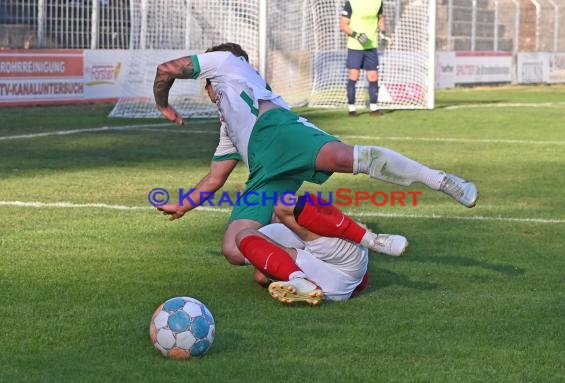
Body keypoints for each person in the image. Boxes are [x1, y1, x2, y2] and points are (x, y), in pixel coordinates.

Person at [153, 43, 478, 279]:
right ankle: (314, 260)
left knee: (343, 157)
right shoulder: (229, 128)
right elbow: (214, 179)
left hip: (279, 132)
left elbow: (164, 69)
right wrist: (183, 205)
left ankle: (439, 179)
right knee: (234, 250)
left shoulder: (225, 62)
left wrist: (163, 104)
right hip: (265, 171)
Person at [247, 197, 371, 305]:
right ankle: (301, 283)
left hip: (343, 276)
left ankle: (300, 281)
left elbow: (261, 278)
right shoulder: (282, 229)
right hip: (343, 279)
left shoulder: (285, 229)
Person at [339, 0, 387, 116]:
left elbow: (380, 17)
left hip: (371, 46)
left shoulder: (378, 2)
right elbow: (343, 25)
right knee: (354, 76)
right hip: (355, 47)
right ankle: (352, 109)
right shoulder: (351, 2)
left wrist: (383, 33)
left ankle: (374, 109)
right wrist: (357, 35)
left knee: (373, 76)